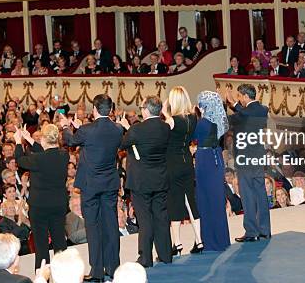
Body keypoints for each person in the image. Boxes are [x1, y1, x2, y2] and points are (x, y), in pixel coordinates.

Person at [61, 94, 123, 282]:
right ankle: (113, 268)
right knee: (111, 225)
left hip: (90, 186)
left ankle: (97, 271)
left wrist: (65, 126)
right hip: (110, 183)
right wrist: (81, 129)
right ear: (111, 110)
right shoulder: (118, 129)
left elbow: (71, 141)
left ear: (94, 109)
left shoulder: (87, 130)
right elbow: (96, 138)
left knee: (93, 227)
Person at [120, 95, 172, 268]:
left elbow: (123, 144)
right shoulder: (165, 128)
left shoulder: (136, 129)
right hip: (160, 178)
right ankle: (165, 255)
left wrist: (126, 128)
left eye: (142, 108)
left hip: (141, 181)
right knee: (161, 216)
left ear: (147, 110)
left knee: (145, 219)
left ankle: (145, 258)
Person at [15, 123, 69, 268]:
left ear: (44, 139)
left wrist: (18, 142)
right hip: (58, 204)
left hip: (40, 207)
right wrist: (29, 139)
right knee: (59, 242)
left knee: (41, 246)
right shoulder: (64, 155)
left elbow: (20, 160)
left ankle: (42, 277)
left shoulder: (37, 159)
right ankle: (64, 275)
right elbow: (46, 153)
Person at [162, 86, 203, 256]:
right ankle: (199, 240)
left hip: (172, 164)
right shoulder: (193, 118)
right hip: (187, 163)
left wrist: (165, 110)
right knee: (190, 201)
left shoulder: (171, 121)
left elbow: (164, 114)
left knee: (174, 202)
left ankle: (177, 243)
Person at [227, 84, 271, 242]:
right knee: (260, 193)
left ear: (245, 96)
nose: (238, 99)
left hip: (246, 160)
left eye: (240, 96)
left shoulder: (251, 111)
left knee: (247, 195)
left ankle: (252, 232)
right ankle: (264, 230)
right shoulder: (258, 110)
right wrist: (235, 106)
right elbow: (241, 116)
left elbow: (244, 114)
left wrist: (234, 104)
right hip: (257, 158)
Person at [193, 91, 231, 251]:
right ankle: (221, 240)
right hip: (216, 158)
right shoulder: (219, 121)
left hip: (205, 160)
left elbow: (191, 136)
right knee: (216, 200)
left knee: (205, 201)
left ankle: (210, 241)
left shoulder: (203, 123)